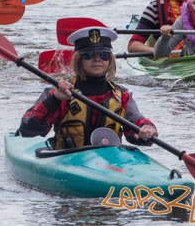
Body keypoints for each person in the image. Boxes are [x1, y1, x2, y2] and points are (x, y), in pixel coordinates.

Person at [18, 27, 158, 149]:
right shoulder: (60, 92)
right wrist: (54, 99)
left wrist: (147, 130)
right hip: (68, 160)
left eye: (103, 55)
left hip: (109, 161)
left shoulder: (122, 96)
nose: (97, 59)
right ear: (79, 60)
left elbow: (136, 125)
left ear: (109, 60)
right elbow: (28, 129)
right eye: (89, 55)